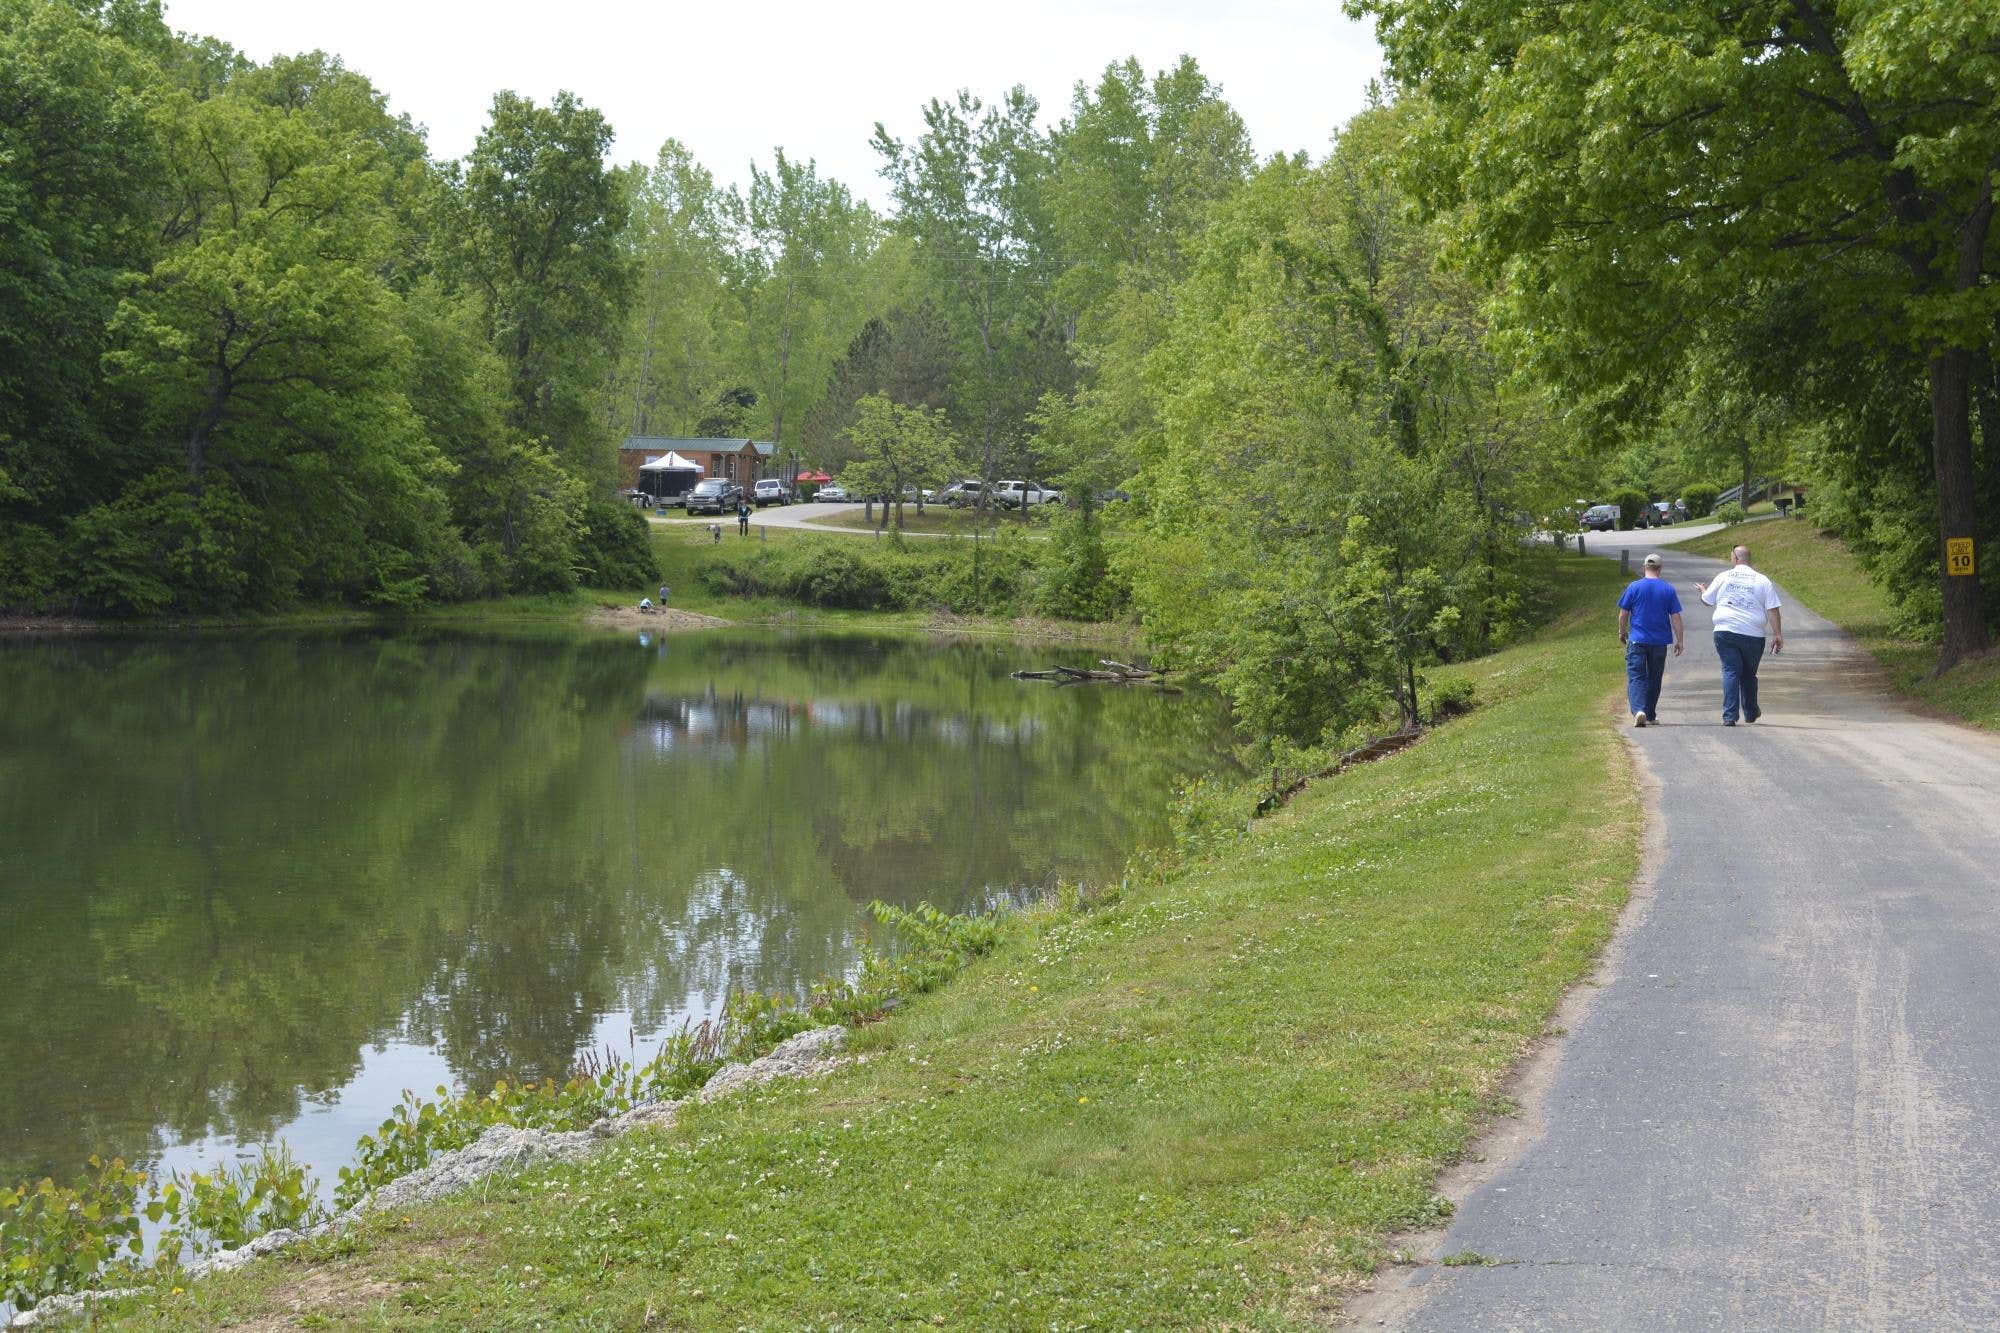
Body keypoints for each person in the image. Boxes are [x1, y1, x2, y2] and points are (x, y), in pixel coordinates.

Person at [1696, 546, 1783, 726]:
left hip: (1725, 631)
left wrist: (1703, 590)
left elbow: (1707, 600)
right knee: (1749, 674)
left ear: (1736, 558)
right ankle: (1750, 712)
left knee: (1730, 671)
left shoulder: (1723, 577)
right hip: (1753, 634)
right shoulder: (1762, 580)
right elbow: (1772, 609)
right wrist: (1777, 634)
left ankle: (1729, 716)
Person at [1617, 552, 1684, 727]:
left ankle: (1639, 710)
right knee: (1655, 677)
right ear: (1660, 568)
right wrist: (1680, 641)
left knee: (1636, 676)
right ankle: (1650, 714)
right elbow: (1676, 617)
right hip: (1659, 642)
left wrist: (1622, 632)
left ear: (1644, 567)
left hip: (1637, 640)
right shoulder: (1668, 589)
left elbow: (1624, 613)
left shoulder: (1634, 587)